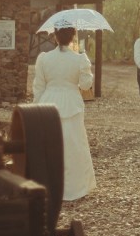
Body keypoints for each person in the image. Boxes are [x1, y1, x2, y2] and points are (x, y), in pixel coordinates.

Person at [32, 21, 96, 201]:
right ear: (73, 36)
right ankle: (74, 188)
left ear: (55, 36)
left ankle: (49, 186)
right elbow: (85, 85)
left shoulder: (44, 58)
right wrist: (86, 69)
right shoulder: (79, 58)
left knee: (50, 145)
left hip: (48, 102)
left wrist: (36, 107)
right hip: (71, 103)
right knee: (74, 145)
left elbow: (38, 86)